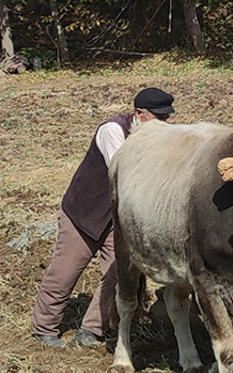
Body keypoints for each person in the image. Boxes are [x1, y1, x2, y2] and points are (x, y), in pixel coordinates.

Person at [30, 87, 175, 348]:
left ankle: (91, 330)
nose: (164, 124)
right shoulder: (112, 131)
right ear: (140, 114)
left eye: (167, 118)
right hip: (84, 213)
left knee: (117, 274)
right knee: (65, 271)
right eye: (159, 118)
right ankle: (44, 328)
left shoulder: (157, 138)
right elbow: (122, 174)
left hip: (117, 220)